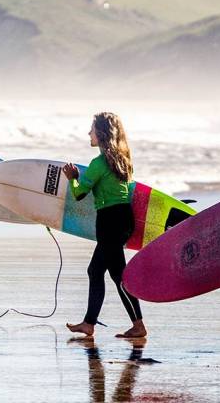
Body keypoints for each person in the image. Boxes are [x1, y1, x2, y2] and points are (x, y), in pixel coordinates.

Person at [62, 112, 146, 338]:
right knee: (95, 270)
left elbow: (80, 193)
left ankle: (138, 325)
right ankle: (89, 323)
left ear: (100, 133)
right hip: (122, 218)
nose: (88, 133)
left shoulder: (99, 163)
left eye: (91, 129)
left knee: (119, 275)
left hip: (109, 221)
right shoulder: (122, 159)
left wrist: (72, 177)